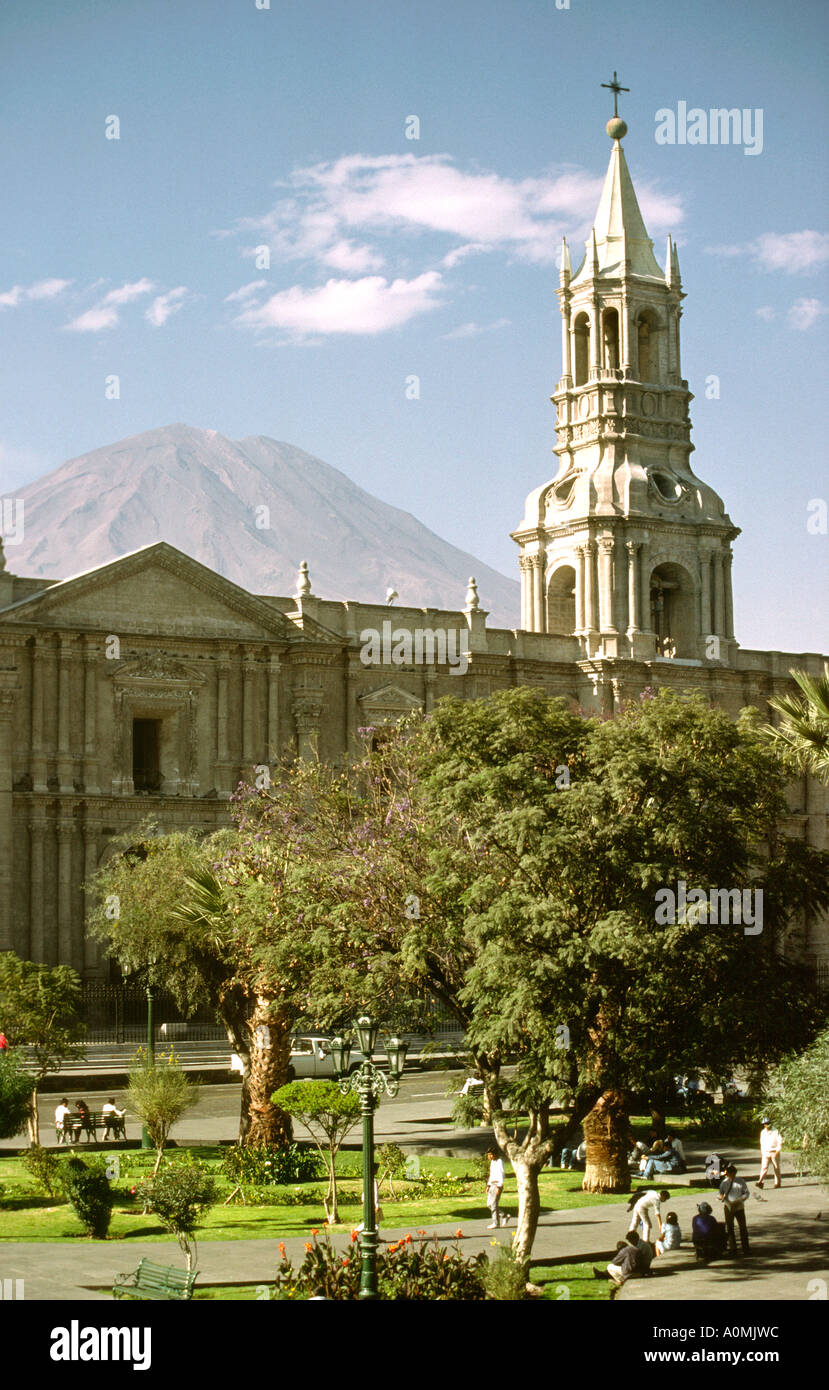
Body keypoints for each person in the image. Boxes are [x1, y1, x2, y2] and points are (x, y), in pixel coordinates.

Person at [718, 1163, 750, 1256]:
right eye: (730, 1174)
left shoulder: (740, 1181)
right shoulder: (724, 1182)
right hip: (728, 1206)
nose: (731, 1175)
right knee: (730, 1228)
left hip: (739, 1206)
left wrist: (741, 1199)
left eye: (733, 1174)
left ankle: (746, 1248)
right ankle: (733, 1248)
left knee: (742, 1227)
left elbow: (746, 1193)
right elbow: (719, 1194)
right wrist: (722, 1197)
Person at [756, 1118, 783, 1189]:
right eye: (765, 1124)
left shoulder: (776, 1131)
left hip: (774, 1152)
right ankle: (760, 1182)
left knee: (776, 1168)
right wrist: (763, 1152)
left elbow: (780, 1142)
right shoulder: (763, 1132)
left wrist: (777, 1151)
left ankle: (777, 1183)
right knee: (764, 1167)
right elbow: (762, 1143)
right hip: (766, 1152)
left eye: (768, 1123)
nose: (766, 1125)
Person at [486, 1146, 509, 1228]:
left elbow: (501, 1174)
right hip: (492, 1185)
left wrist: (499, 1187)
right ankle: (504, 1215)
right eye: (488, 1155)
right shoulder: (492, 1162)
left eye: (491, 1154)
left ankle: (496, 1223)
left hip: (497, 1185)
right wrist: (488, 1185)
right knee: (489, 1204)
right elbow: (492, 1174)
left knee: (493, 1204)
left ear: (495, 1154)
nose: (489, 1156)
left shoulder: (499, 1162)